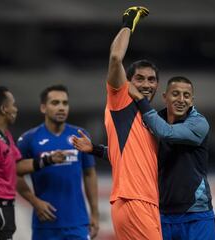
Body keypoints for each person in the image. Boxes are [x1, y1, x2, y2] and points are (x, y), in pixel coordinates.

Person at [73, 76, 215, 240]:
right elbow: (130, 154)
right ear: (165, 97)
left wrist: (140, 98)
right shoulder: (153, 121)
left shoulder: (198, 123)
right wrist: (95, 149)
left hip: (197, 214)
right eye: (175, 94)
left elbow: (166, 132)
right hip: (162, 214)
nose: (181, 99)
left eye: (186, 95)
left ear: (192, 100)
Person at [93, 6, 162, 240]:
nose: (146, 84)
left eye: (152, 80)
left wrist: (95, 149)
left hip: (148, 203)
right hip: (133, 201)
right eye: (139, 79)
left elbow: (126, 155)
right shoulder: (122, 102)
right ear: (127, 83)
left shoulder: (149, 116)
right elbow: (115, 58)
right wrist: (128, 22)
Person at [0, 86, 65, 240]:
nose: (16, 109)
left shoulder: (4, 135)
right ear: (3, 109)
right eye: (13, 104)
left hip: (4, 209)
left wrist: (48, 159)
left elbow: (18, 167)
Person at [16, 85, 99, 240]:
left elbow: (89, 174)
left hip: (78, 224)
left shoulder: (79, 135)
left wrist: (94, 213)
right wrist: (34, 201)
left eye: (65, 103)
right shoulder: (29, 139)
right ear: (43, 108)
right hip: (46, 224)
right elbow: (14, 173)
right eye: (55, 103)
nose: (61, 108)